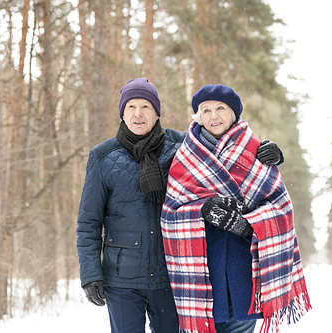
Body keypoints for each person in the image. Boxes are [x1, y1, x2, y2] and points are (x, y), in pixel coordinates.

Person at [76, 79, 284, 333]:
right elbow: (88, 222)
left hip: (172, 275)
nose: (138, 114)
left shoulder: (183, 147)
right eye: (131, 107)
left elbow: (222, 145)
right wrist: (90, 274)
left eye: (145, 106)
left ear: (157, 112)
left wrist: (262, 150)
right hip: (121, 278)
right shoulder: (103, 156)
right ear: (122, 112)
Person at [161, 84, 311, 333]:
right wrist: (202, 209)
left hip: (243, 276)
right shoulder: (184, 155)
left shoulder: (256, 152)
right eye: (206, 110)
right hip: (201, 279)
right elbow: (170, 214)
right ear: (198, 116)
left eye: (221, 108)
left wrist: (248, 225)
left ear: (235, 113)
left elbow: (280, 207)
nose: (214, 116)